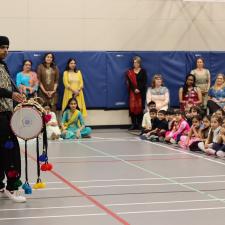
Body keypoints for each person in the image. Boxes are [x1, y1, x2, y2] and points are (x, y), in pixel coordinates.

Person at [0, 36, 26, 202]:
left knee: (8, 151)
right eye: (2, 47)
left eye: (7, 48)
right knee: (10, 151)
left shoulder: (3, 65)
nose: (5, 51)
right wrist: (11, 94)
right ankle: (10, 187)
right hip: (1, 116)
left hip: (5, 114)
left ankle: (6, 186)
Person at [126, 56, 147, 130]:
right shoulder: (129, 72)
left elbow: (144, 82)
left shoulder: (143, 71)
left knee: (140, 108)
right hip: (132, 93)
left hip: (141, 93)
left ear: (139, 63)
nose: (135, 64)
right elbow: (130, 83)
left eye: (137, 62)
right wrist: (134, 89)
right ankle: (133, 124)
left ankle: (139, 124)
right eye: (134, 62)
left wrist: (139, 89)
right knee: (132, 108)